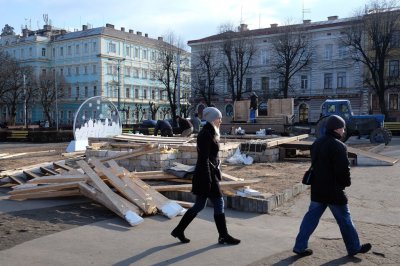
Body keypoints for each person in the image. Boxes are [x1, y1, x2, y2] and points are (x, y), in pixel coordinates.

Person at [293, 115, 371, 257]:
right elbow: (343, 170)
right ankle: (354, 247)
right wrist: (345, 184)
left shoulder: (317, 143)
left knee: (310, 219)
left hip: (317, 189)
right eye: (343, 128)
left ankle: (299, 246)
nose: (344, 131)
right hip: (334, 191)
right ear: (337, 129)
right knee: (345, 220)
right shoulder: (339, 146)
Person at [171, 107, 240, 245]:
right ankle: (223, 235)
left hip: (207, 174)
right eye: (219, 118)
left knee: (199, 206)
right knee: (219, 202)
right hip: (206, 175)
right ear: (212, 119)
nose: (221, 120)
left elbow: (210, 157)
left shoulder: (210, 132)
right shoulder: (206, 134)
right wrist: (209, 179)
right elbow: (203, 159)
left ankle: (179, 230)